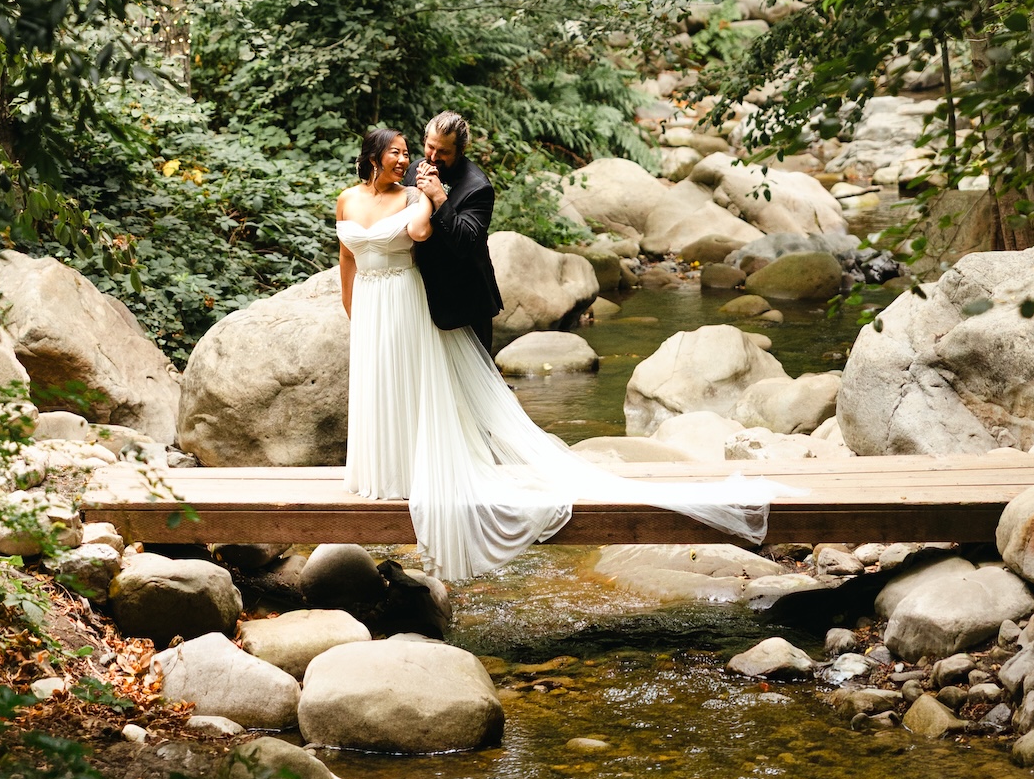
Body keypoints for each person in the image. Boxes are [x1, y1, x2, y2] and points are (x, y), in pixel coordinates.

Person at [336, 121, 792, 584]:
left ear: (458, 151)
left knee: (451, 394)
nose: (424, 157)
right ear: (377, 156)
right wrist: (353, 304)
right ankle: (387, 469)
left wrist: (433, 199)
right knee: (387, 385)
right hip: (391, 303)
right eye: (421, 149)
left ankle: (455, 466)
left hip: (459, 300)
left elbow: (456, 239)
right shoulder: (397, 179)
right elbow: (347, 256)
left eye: (436, 150)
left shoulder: (472, 187)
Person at [404, 110, 502, 356]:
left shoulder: (478, 187)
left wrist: (439, 197)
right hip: (421, 296)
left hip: (465, 299)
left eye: (444, 152)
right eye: (430, 147)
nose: (434, 157)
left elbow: (464, 243)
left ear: (461, 150)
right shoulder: (414, 169)